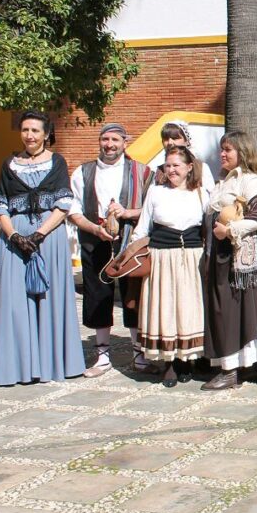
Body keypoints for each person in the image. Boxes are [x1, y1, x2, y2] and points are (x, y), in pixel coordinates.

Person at [0, 111, 85, 386]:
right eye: (25, 130)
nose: (29, 135)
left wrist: (40, 234)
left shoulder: (57, 162)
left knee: (49, 297)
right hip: (13, 239)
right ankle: (16, 367)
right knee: (14, 301)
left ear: (46, 134)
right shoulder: (9, 163)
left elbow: (64, 204)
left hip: (49, 237)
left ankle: (51, 363)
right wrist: (16, 236)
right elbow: (1, 205)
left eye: (35, 130)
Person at [68, 123, 153, 377]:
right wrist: (95, 229)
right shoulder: (83, 172)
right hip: (95, 241)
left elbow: (152, 206)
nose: (109, 144)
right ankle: (102, 356)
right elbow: (73, 210)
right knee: (97, 295)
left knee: (132, 296)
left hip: (131, 243)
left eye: (115, 139)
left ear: (125, 142)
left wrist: (128, 213)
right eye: (105, 139)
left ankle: (139, 354)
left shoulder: (142, 172)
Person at [131, 146, 210, 387]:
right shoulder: (155, 192)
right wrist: (135, 254)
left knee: (187, 310)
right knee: (164, 309)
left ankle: (187, 360)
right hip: (162, 258)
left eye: (177, 165)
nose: (172, 169)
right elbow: (143, 228)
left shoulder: (201, 194)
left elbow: (208, 229)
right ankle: (169, 364)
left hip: (191, 258)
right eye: (168, 165)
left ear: (189, 168)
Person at [203, 132, 257, 391]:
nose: (222, 154)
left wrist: (230, 230)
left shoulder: (250, 181)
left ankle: (231, 369)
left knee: (231, 312)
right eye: (221, 149)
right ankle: (234, 365)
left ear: (242, 152)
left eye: (228, 149)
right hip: (218, 254)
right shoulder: (223, 180)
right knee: (225, 310)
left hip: (235, 256)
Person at [156, 120, 216, 185]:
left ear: (186, 141)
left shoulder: (201, 168)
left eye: (175, 138)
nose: (170, 142)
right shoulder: (160, 171)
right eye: (166, 139)